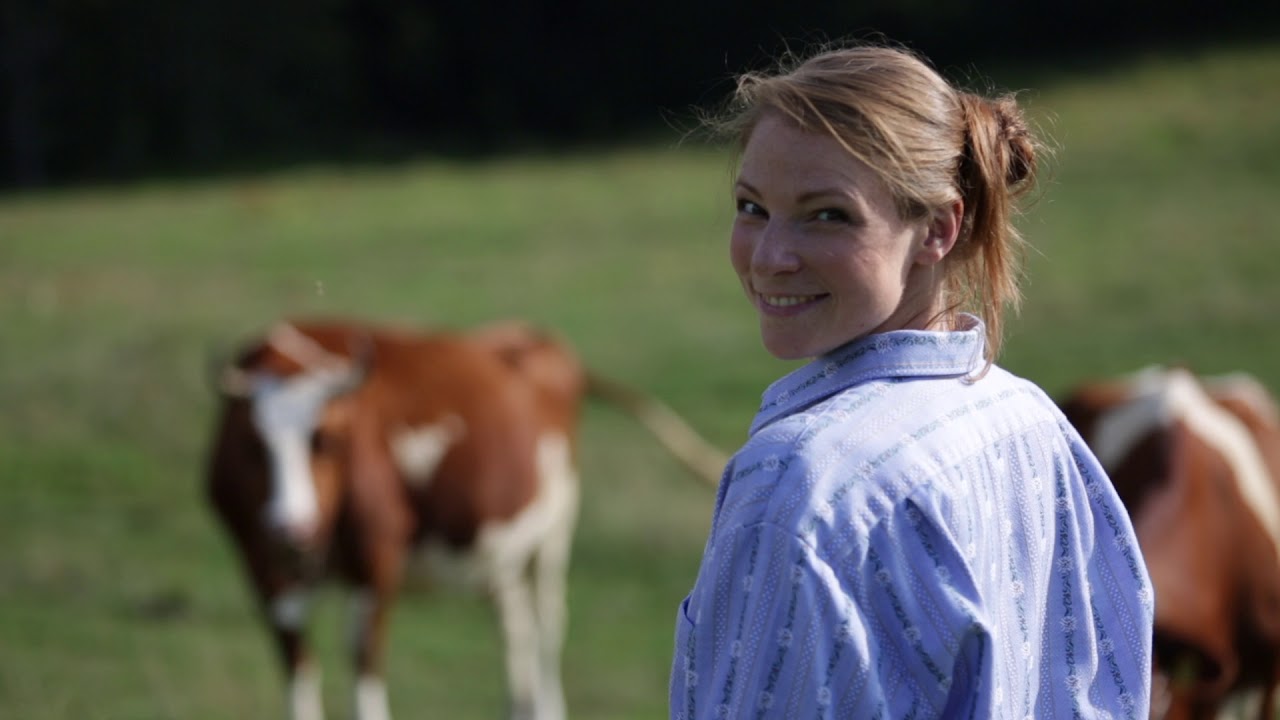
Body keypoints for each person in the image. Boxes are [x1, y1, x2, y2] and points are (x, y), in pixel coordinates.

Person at [670, 42, 1153, 718]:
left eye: (827, 214)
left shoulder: (796, 486)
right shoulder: (1027, 419)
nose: (771, 256)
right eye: (752, 206)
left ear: (937, 229)